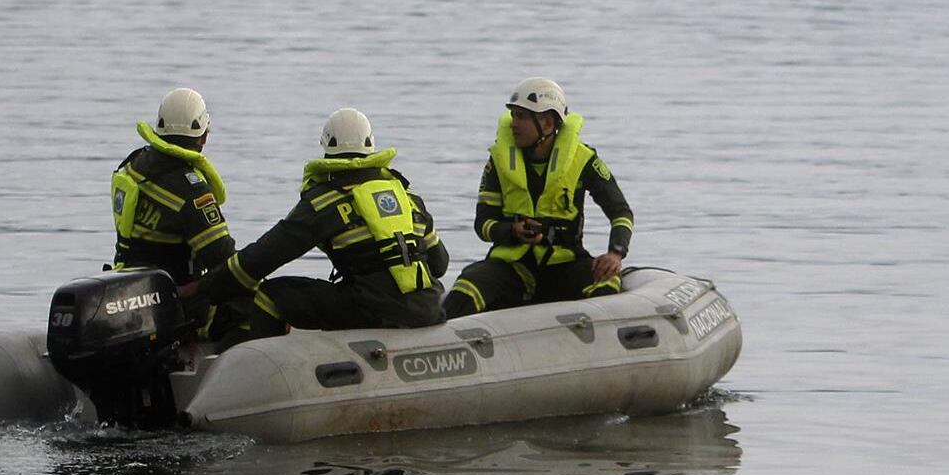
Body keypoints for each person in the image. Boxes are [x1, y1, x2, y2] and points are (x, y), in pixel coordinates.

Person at [185, 108, 448, 331]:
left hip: (372, 310)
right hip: (428, 308)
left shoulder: (324, 202)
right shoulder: (406, 196)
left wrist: (205, 289)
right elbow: (439, 264)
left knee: (271, 295)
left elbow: (262, 258)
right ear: (370, 146)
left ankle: (251, 365)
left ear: (326, 146)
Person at [442, 78, 633, 319]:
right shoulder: (499, 161)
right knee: (467, 286)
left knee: (607, 282)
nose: (514, 124)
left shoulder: (583, 160)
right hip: (512, 266)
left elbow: (620, 212)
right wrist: (512, 231)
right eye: (513, 115)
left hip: (565, 265)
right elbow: (483, 224)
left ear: (547, 122)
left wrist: (615, 253)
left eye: (522, 116)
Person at [110, 87, 280, 344]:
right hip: (175, 301)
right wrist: (266, 286)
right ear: (203, 135)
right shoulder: (191, 192)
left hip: (129, 289)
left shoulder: (134, 165)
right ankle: (221, 366)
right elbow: (223, 258)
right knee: (257, 310)